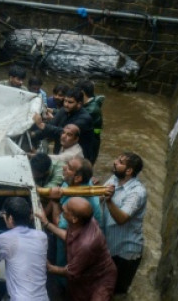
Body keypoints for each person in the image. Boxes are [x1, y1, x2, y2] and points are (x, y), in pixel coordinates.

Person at [38, 197, 117, 301]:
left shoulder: (86, 245)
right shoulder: (83, 222)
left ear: (74, 218)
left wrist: (50, 268)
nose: (63, 207)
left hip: (100, 279)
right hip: (85, 275)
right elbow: (69, 237)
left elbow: (71, 272)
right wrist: (47, 224)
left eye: (66, 208)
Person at [100, 153, 147, 295]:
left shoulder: (137, 193)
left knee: (116, 292)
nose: (115, 162)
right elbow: (100, 196)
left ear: (129, 171)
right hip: (109, 246)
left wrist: (109, 201)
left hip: (125, 254)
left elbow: (122, 219)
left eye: (120, 162)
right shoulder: (115, 179)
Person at [31, 87, 96, 161]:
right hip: (61, 148)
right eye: (65, 101)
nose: (66, 104)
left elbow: (65, 133)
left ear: (79, 104)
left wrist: (41, 125)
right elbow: (52, 125)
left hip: (79, 156)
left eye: (70, 102)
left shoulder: (84, 119)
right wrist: (34, 135)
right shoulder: (64, 110)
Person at [78, 79, 104, 163]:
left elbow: (74, 117)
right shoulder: (89, 103)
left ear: (82, 92)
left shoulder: (92, 109)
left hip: (90, 143)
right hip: (88, 139)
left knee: (85, 165)